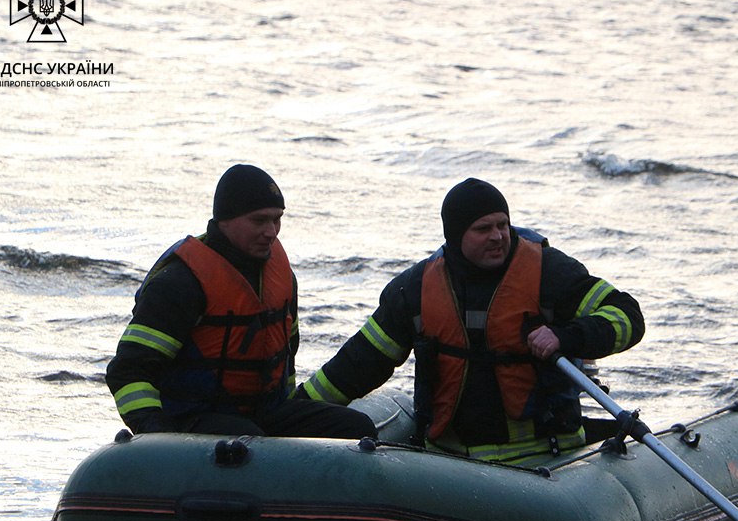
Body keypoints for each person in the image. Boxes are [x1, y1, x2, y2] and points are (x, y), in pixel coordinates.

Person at [297, 177, 644, 464]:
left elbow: (627, 315)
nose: (497, 236)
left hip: (544, 462)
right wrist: (298, 410)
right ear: (456, 235)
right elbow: (362, 361)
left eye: (502, 225)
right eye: (483, 229)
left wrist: (568, 337)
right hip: (451, 466)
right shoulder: (416, 288)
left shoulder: (550, 273)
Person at [105, 164, 377, 440]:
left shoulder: (281, 277)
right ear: (225, 220)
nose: (272, 232)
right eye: (259, 221)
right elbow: (127, 372)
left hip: (262, 413)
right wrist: (154, 433)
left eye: (277, 220)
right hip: (190, 418)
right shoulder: (180, 282)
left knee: (357, 428)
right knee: (248, 437)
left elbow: (287, 357)